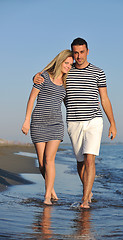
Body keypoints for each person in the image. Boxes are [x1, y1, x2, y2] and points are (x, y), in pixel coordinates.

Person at [33, 38, 117, 208]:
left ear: (88, 51)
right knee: (80, 162)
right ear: (73, 53)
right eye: (76, 53)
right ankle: (88, 190)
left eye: (82, 52)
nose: (79, 56)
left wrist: (112, 123)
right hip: (73, 122)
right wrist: (35, 76)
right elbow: (49, 74)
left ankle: (85, 200)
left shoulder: (98, 72)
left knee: (89, 160)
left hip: (94, 120)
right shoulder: (67, 72)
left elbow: (105, 99)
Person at [22, 50, 73, 205]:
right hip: (38, 122)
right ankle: (52, 190)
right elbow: (32, 98)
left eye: (71, 65)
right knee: (42, 164)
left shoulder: (66, 82)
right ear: (60, 61)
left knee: (49, 160)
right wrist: (26, 120)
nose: (68, 67)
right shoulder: (43, 76)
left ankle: (46, 197)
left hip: (56, 125)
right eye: (66, 63)